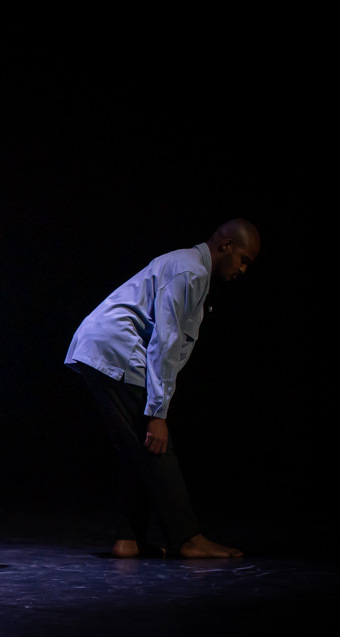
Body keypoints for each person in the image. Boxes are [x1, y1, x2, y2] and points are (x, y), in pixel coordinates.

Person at [65, 218, 261, 558]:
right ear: (226, 246)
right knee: (155, 443)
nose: (244, 269)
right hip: (116, 349)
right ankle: (189, 539)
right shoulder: (190, 272)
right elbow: (165, 342)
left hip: (102, 348)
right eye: (243, 259)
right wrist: (158, 411)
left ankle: (129, 539)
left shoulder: (190, 268)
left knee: (135, 447)